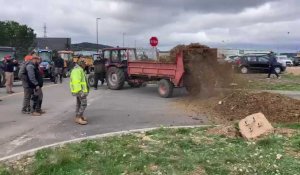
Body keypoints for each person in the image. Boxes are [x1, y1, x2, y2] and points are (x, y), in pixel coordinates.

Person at [70, 59, 89, 125]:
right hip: (80, 91)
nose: (85, 65)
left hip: (79, 90)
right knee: (84, 104)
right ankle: (78, 117)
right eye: (84, 64)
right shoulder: (77, 70)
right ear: (81, 64)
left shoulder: (79, 69)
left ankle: (79, 116)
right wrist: (80, 91)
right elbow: (76, 82)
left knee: (79, 104)